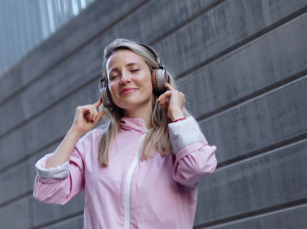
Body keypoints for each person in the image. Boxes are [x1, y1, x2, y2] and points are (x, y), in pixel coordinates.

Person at [32, 38, 218, 228]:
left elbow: (198, 167)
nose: (124, 79)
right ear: (106, 91)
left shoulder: (178, 138)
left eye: (134, 69)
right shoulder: (94, 143)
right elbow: (47, 190)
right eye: (114, 76)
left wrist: (177, 116)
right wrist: (75, 132)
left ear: (157, 77)